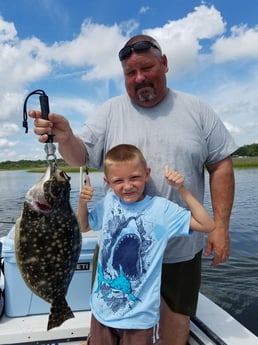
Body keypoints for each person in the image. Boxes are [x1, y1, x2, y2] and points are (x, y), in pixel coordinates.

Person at [29, 34, 237, 345]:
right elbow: (81, 156)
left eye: (147, 68)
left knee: (175, 328)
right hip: (117, 251)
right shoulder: (110, 111)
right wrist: (65, 137)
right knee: (109, 320)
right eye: (130, 73)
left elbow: (221, 166)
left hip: (179, 251)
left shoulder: (198, 110)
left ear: (164, 64)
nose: (139, 78)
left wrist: (220, 227)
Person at [77, 144, 215, 345]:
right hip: (102, 312)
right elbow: (84, 226)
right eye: (118, 181)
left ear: (147, 174)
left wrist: (182, 190)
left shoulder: (161, 209)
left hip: (140, 319)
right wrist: (82, 204)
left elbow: (207, 224)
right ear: (107, 182)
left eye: (134, 177)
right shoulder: (108, 202)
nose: (127, 186)